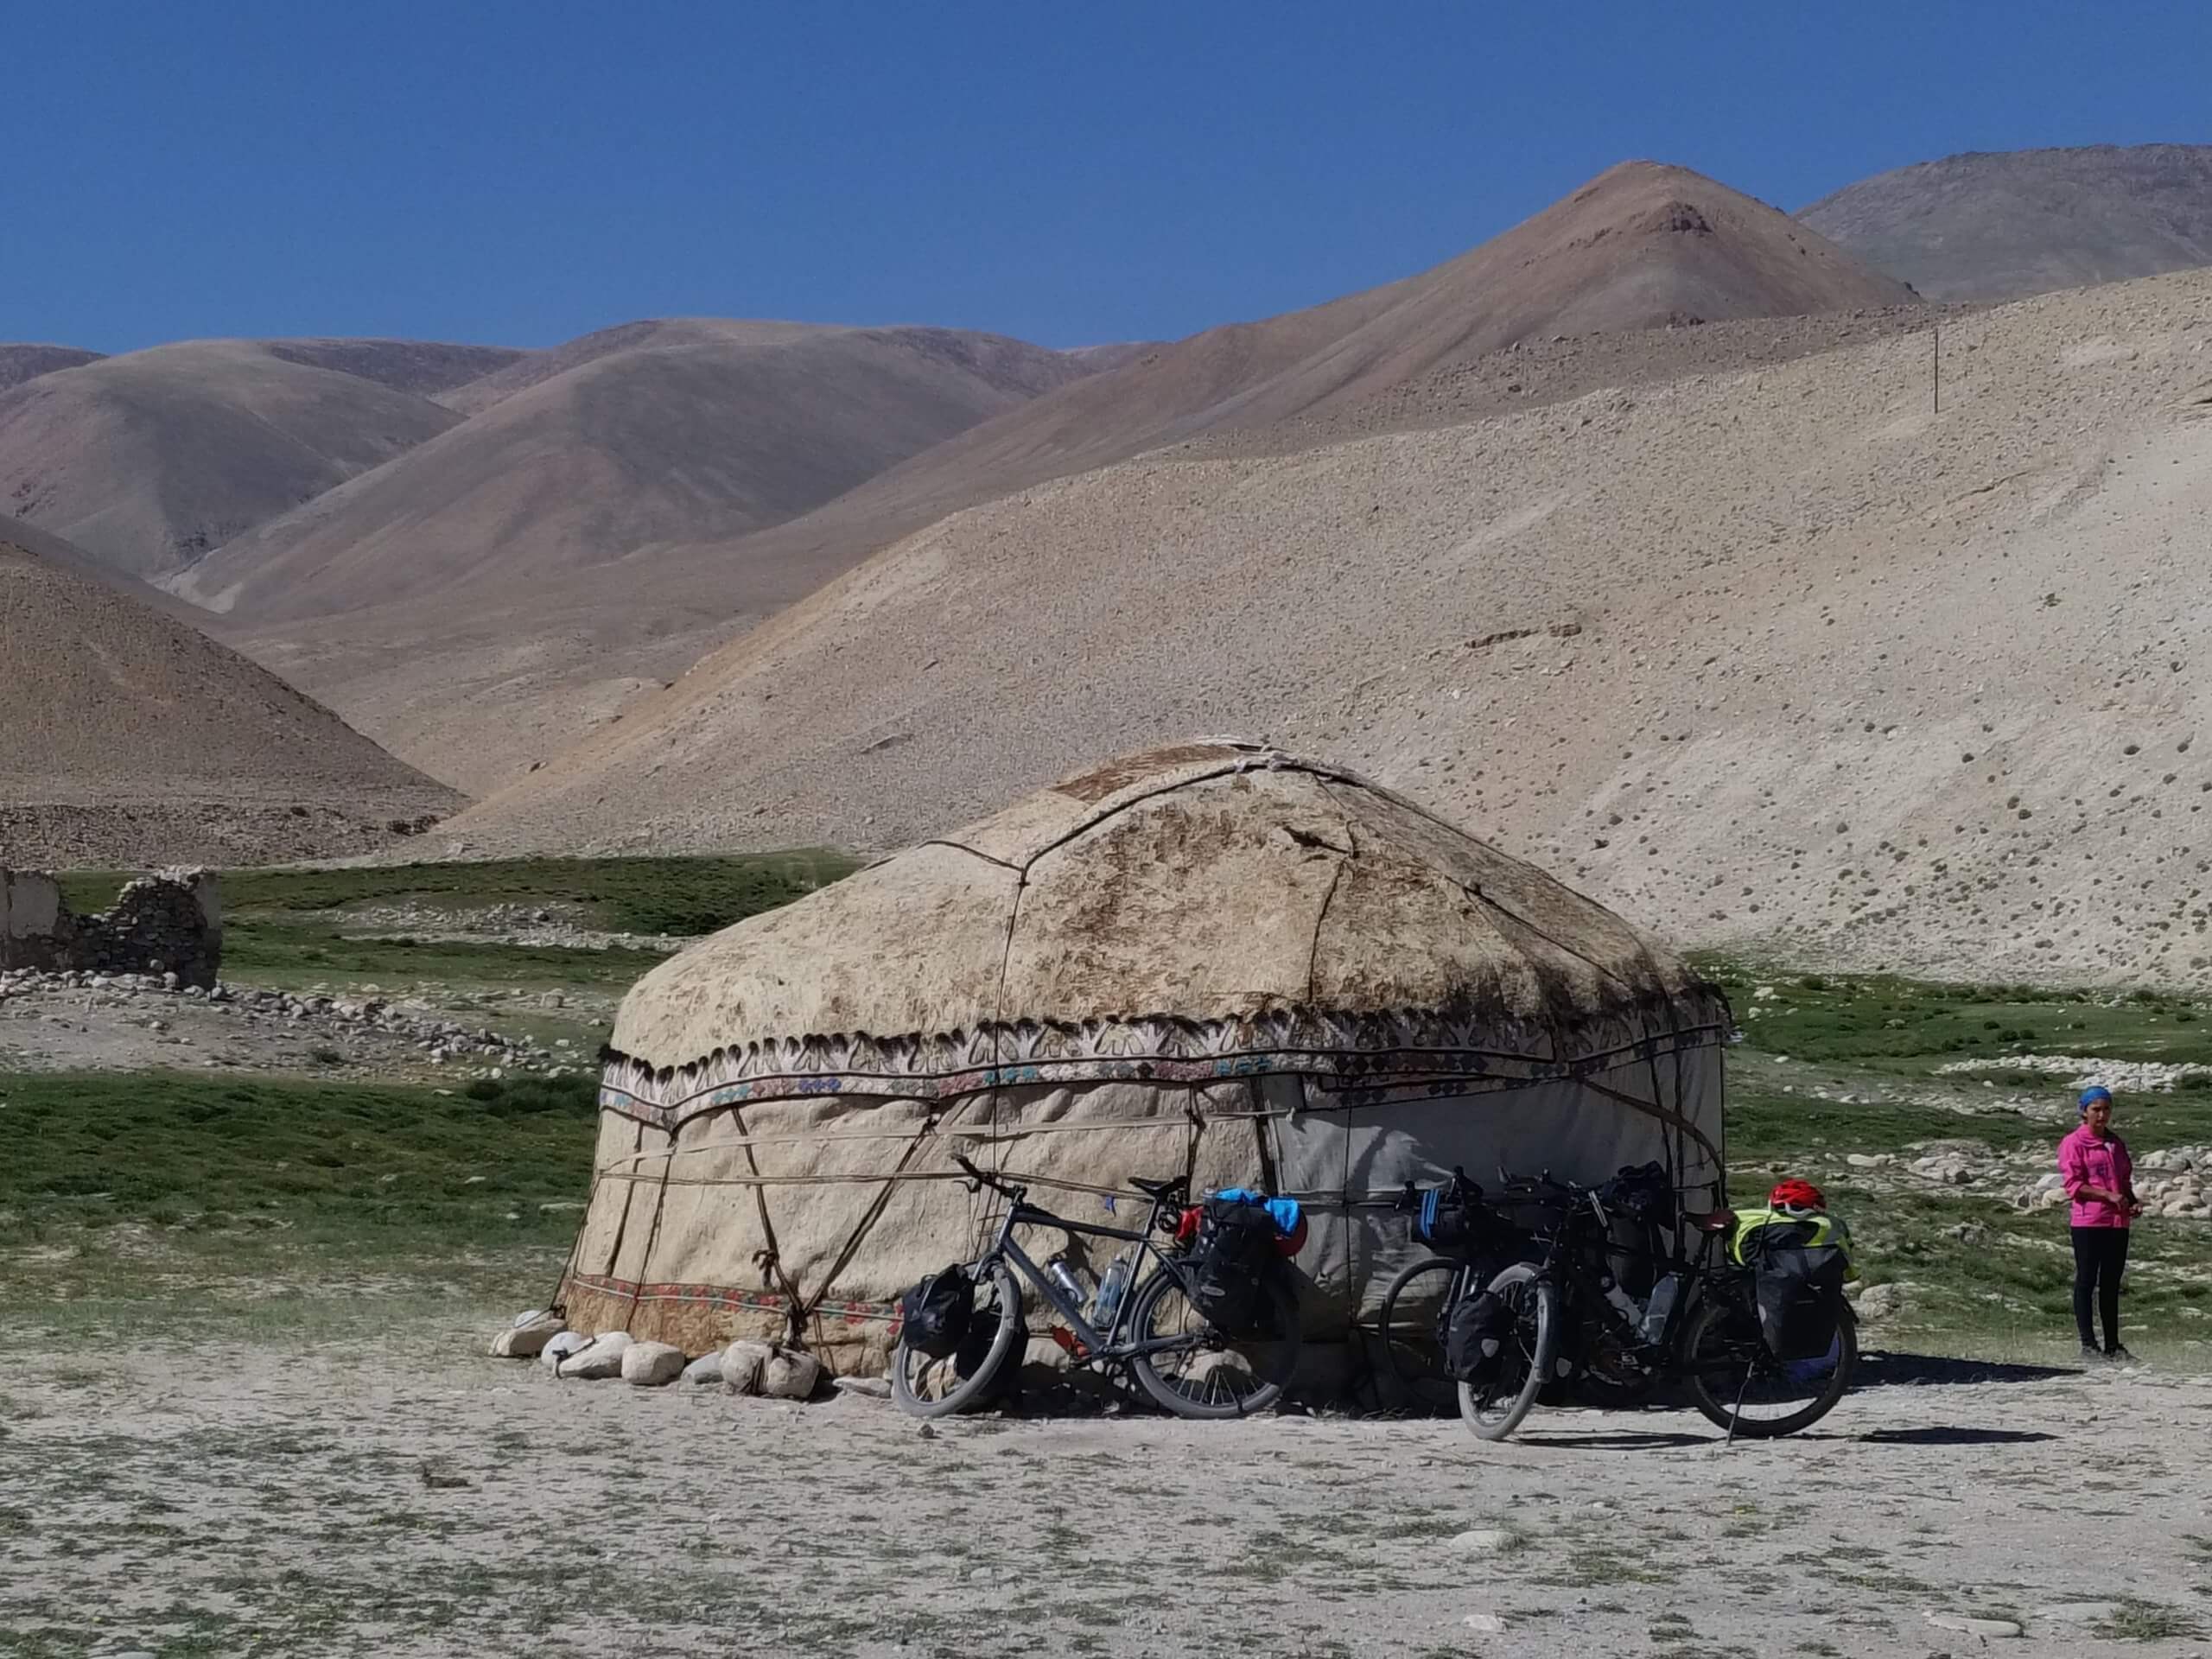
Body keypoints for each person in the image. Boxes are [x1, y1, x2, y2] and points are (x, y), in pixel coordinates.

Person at [2059, 1084, 2142, 1363]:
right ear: (2084, 1112)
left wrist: (2131, 1200)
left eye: (2106, 1109)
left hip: (2118, 1222)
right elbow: (2074, 1185)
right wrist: (2107, 1195)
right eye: (2096, 1110)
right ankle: (2088, 1344)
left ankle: (2113, 1345)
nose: (2102, 1115)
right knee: (2086, 1280)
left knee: (2111, 1283)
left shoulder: (2115, 1143)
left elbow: (2124, 1181)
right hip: (2089, 1221)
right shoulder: (2074, 1143)